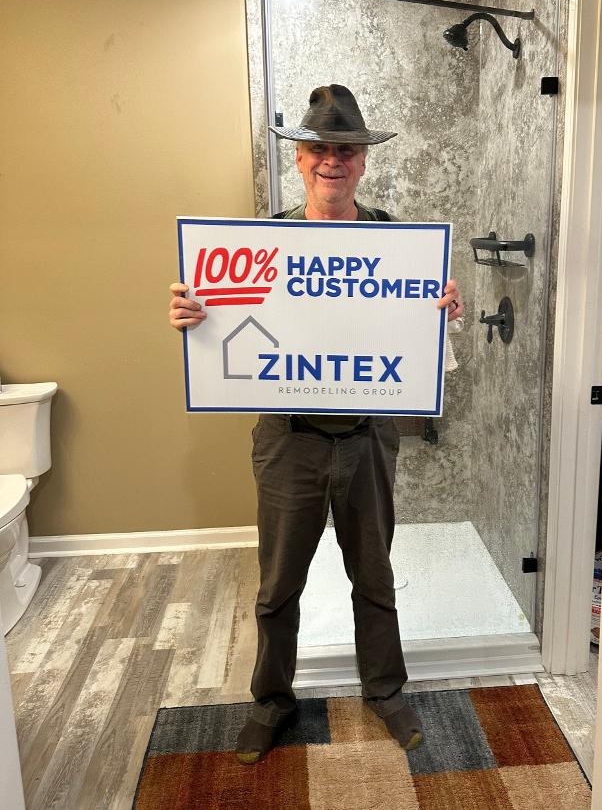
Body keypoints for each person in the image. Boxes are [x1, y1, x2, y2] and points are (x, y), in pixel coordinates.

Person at [169, 85, 464, 763]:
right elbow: (224, 323)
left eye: (346, 150)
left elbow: (423, 341)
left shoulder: (398, 244)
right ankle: (271, 701)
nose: (333, 160)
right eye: (320, 149)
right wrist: (192, 317)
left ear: (362, 161)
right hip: (288, 438)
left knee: (374, 574)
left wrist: (444, 314)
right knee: (278, 584)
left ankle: (385, 690)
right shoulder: (262, 244)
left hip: (367, 435)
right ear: (300, 159)